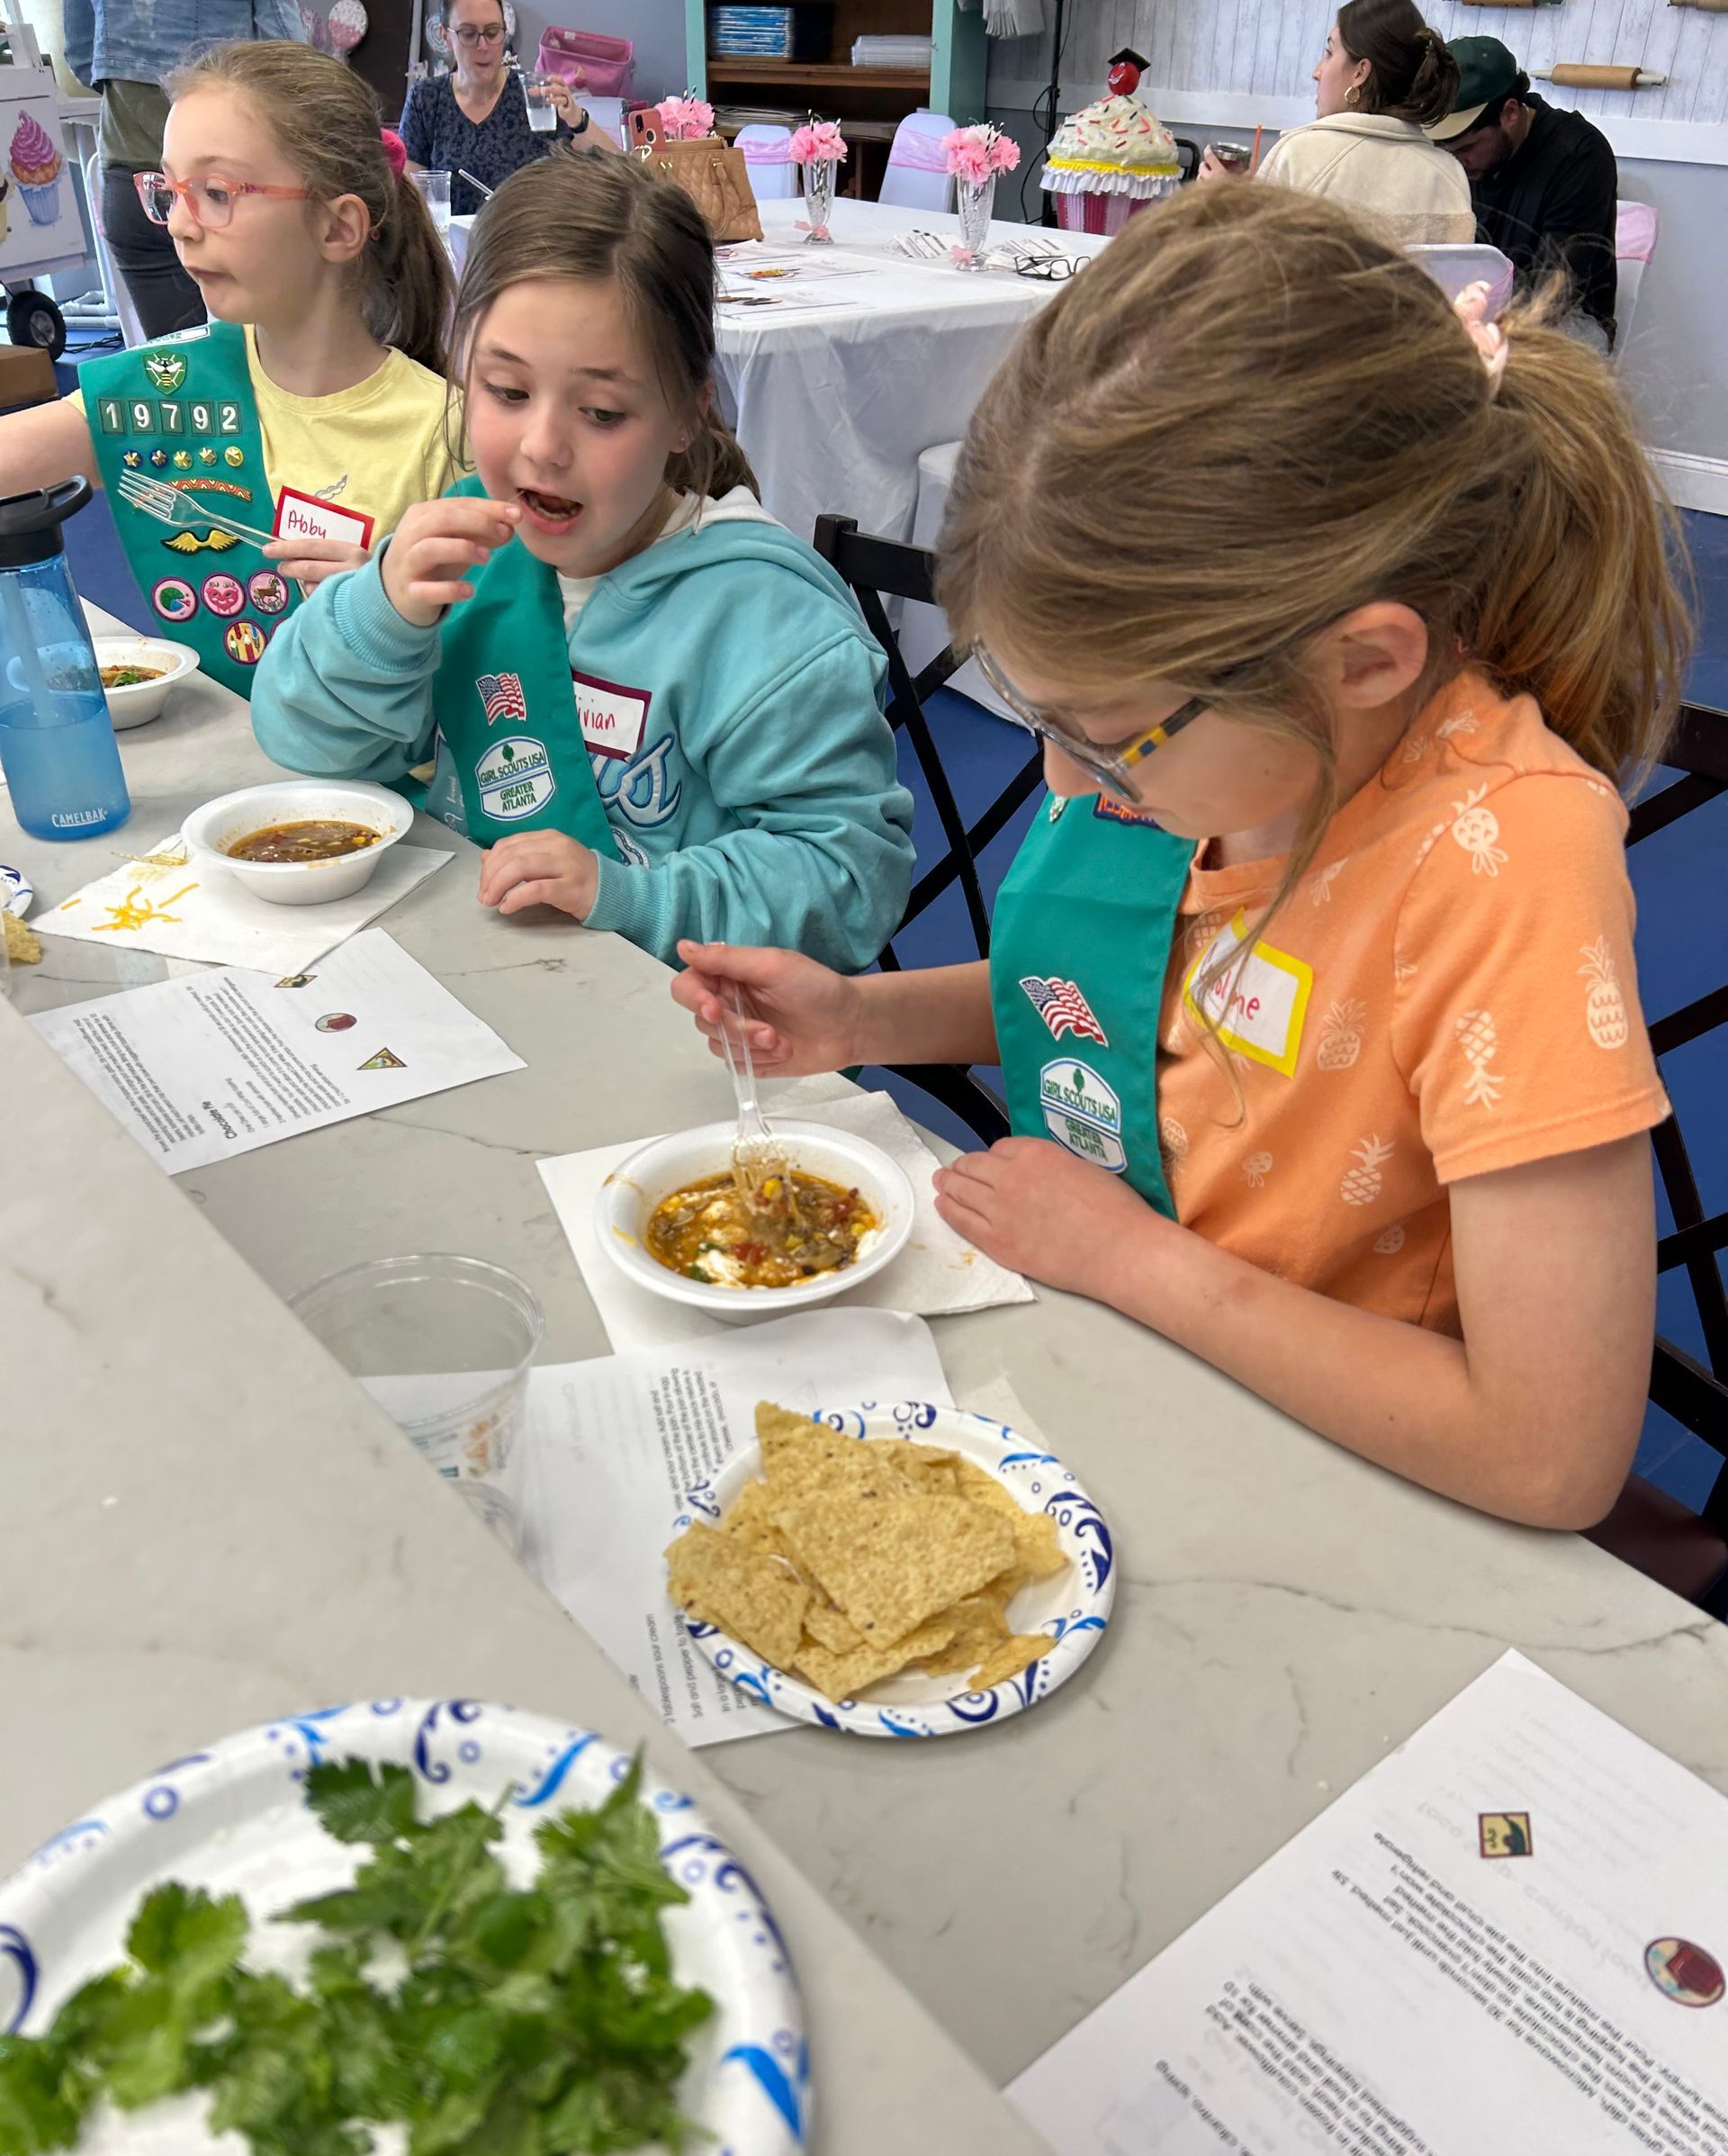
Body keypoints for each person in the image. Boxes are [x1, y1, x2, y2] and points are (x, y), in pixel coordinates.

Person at [670, 181, 1686, 1533]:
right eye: (1043, 722)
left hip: (1356, 1487)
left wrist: (1137, 1263)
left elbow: (1546, 1454)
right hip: (1141, 1371)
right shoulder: (1212, 755)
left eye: (1102, 737)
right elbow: (1142, 991)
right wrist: (861, 1015)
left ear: (1363, 660)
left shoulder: (1506, 864)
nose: (1058, 779)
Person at [249, 147, 914, 973]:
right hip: (473, 986)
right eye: (507, 392)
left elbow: (852, 885)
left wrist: (627, 893)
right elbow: (301, 743)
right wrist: (377, 612)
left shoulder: (765, 625)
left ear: (685, 413)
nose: (541, 447)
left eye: (601, 412)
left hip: (685, 1039)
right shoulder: (466, 557)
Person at [0, 41, 457, 699]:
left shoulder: (446, 432)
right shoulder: (166, 390)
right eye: (171, 190)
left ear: (337, 228)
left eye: (216, 192)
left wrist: (389, 619)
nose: (181, 225)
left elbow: (501, 680)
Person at [62, 0, 306, 341]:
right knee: (281, 365)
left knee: (182, 376)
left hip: (131, 163)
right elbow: (288, 56)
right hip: (234, 185)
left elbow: (80, 53)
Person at [1201, 0, 1472, 246]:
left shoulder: (1299, 155)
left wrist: (1229, 205)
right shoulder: (1451, 176)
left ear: (1360, 72)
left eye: (1329, 53)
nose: (1316, 72)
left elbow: (1254, 272)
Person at [1428, 36, 1618, 351]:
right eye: (1445, 150)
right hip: (1474, 309)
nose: (1457, 163)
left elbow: (1552, 295)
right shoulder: (1459, 160)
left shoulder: (1579, 154)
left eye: (1467, 149)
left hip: (1568, 320)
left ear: (1511, 113)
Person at [402, 0, 610, 214]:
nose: (483, 46)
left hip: (527, 240)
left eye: (492, 33)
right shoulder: (426, 98)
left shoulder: (536, 94)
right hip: (449, 243)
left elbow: (617, 169)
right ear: (445, 36)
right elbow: (408, 196)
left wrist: (577, 118)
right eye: (468, 33)